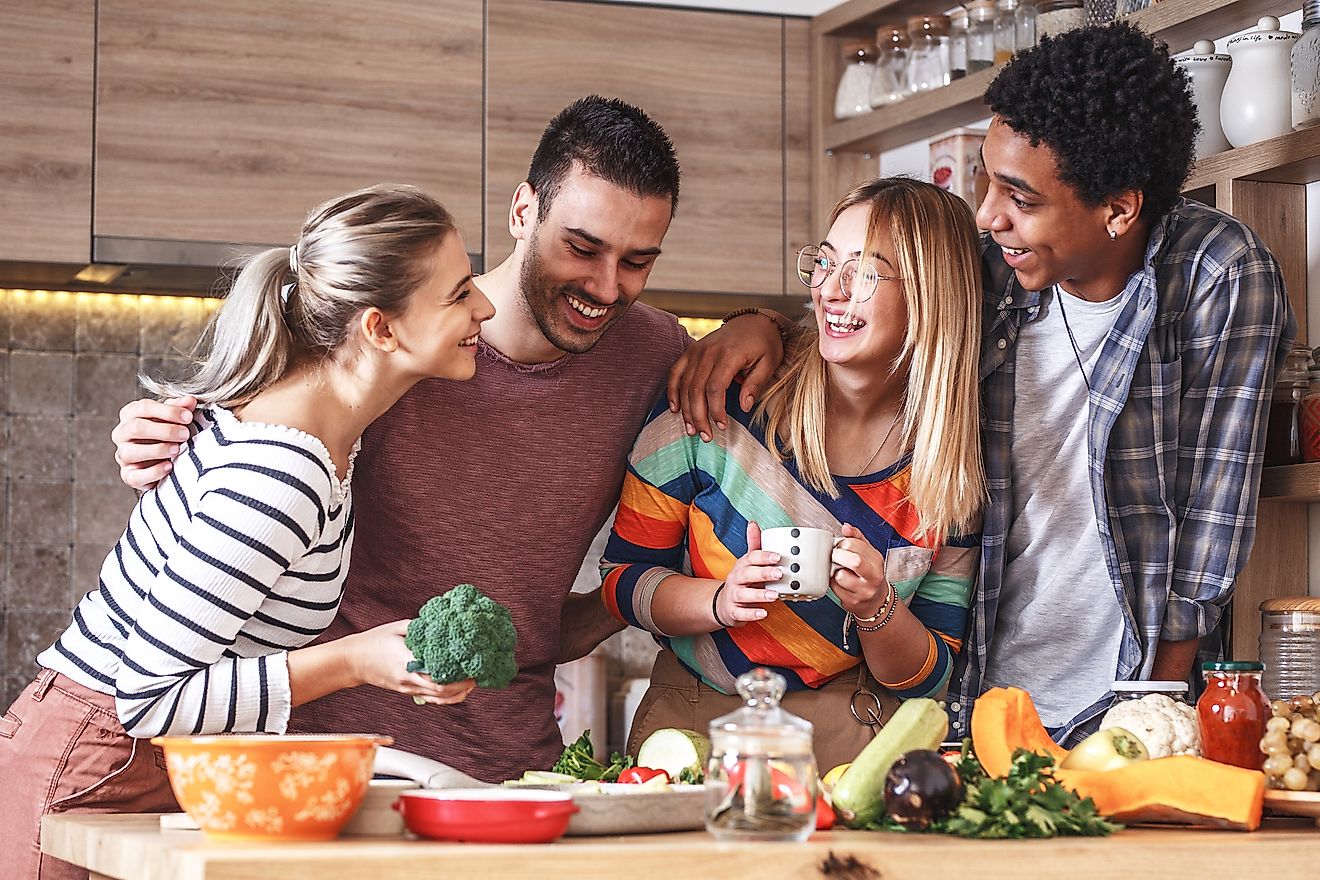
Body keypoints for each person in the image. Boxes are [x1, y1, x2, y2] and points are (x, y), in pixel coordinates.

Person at [669, 23, 1296, 746]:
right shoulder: (988, 267)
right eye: (986, 182)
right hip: (971, 703)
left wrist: (1149, 715)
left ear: (1120, 208)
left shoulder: (1217, 275)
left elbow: (1214, 517)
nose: (988, 216)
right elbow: (859, 318)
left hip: (1125, 699)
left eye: (1020, 197)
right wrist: (762, 325)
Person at [107, 97, 758, 782]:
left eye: (637, 262)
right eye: (583, 247)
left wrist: (759, 324)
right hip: (339, 767)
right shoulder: (403, 346)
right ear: (522, 210)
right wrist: (154, 434)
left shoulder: (652, 354)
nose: (605, 285)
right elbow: (248, 451)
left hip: (513, 769)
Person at [0, 184, 492, 880]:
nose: (486, 308)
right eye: (461, 292)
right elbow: (149, 699)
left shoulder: (322, 439)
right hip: (96, 765)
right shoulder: (285, 471)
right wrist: (354, 661)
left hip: (120, 761)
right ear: (381, 329)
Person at [602, 178, 984, 771]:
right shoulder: (718, 404)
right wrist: (719, 602)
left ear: (932, 295)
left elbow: (931, 676)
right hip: (698, 727)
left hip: (858, 747)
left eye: (863, 272)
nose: (829, 290)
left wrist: (878, 607)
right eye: (825, 263)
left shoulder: (948, 468)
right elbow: (623, 579)